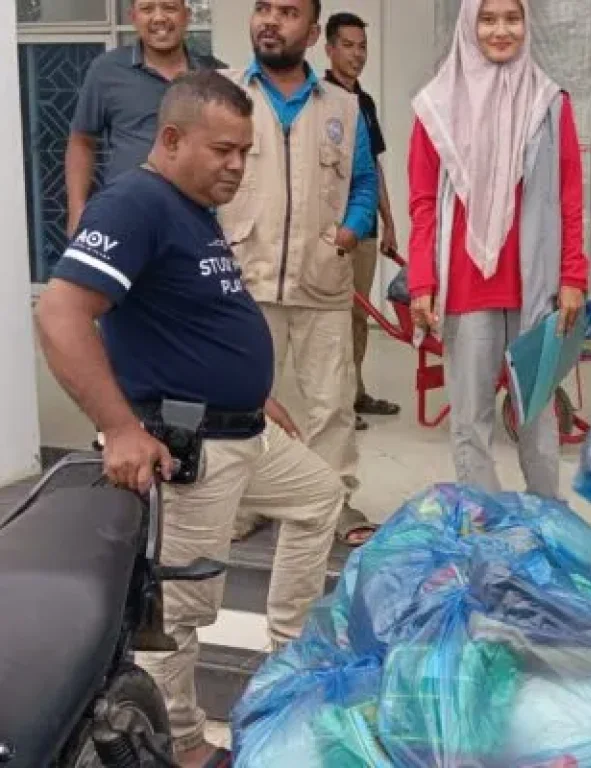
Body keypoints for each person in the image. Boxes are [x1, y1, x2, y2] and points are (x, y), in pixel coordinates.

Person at [37, 71, 346, 768]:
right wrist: (119, 427)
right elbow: (60, 313)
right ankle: (181, 745)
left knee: (320, 497)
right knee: (176, 615)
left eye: (246, 153)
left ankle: (290, 656)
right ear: (172, 139)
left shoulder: (190, 208)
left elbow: (187, 318)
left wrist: (249, 390)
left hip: (242, 429)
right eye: (223, 151)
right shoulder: (135, 205)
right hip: (189, 448)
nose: (237, 167)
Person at [407, 0, 588, 499]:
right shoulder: (435, 107)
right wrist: (422, 280)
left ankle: (549, 521)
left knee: (538, 419)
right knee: (471, 422)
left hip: (534, 287)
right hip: (465, 287)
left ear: (527, 24)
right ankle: (486, 532)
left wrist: (573, 276)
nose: (500, 29)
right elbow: (423, 203)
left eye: (512, 18)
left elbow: (569, 196)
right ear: (470, 24)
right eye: (487, 18)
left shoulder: (550, 103)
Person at [220, 0, 380, 547]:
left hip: (323, 278)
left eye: (287, 12)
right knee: (242, 401)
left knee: (330, 403)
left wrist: (354, 230)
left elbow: (362, 184)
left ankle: (331, 500)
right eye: (263, 8)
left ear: (312, 33)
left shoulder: (344, 106)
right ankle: (249, 500)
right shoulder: (225, 94)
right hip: (246, 278)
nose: (270, 20)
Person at [66, 0, 222, 235]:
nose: (159, 18)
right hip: (125, 216)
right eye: (147, 9)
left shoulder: (214, 75)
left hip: (197, 217)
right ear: (133, 17)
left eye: (169, 8)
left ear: (187, 16)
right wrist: (77, 210)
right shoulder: (106, 70)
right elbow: (82, 141)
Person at [325, 11, 402, 430]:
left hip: (367, 229)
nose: (357, 54)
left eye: (362, 46)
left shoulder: (364, 102)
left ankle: (354, 394)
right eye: (349, 45)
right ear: (330, 48)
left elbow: (372, 166)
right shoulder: (321, 97)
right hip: (334, 231)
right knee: (333, 317)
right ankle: (336, 405)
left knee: (359, 317)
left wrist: (389, 222)